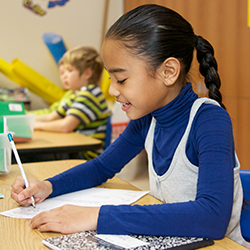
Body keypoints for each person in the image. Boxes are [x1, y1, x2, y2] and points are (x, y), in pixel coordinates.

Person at [10, 4, 249, 248]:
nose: (113, 90)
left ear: (169, 71)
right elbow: (101, 167)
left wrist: (95, 216)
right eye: (111, 79)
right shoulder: (148, 117)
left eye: (121, 79)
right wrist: (48, 186)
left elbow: (211, 217)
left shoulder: (209, 120)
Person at [33, 46, 111, 159]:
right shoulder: (77, 94)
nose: (64, 76)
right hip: (76, 149)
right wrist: (25, 119)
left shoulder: (89, 95)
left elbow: (66, 126)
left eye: (69, 71)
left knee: (29, 156)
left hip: (85, 154)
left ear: (87, 73)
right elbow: (52, 116)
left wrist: (37, 126)